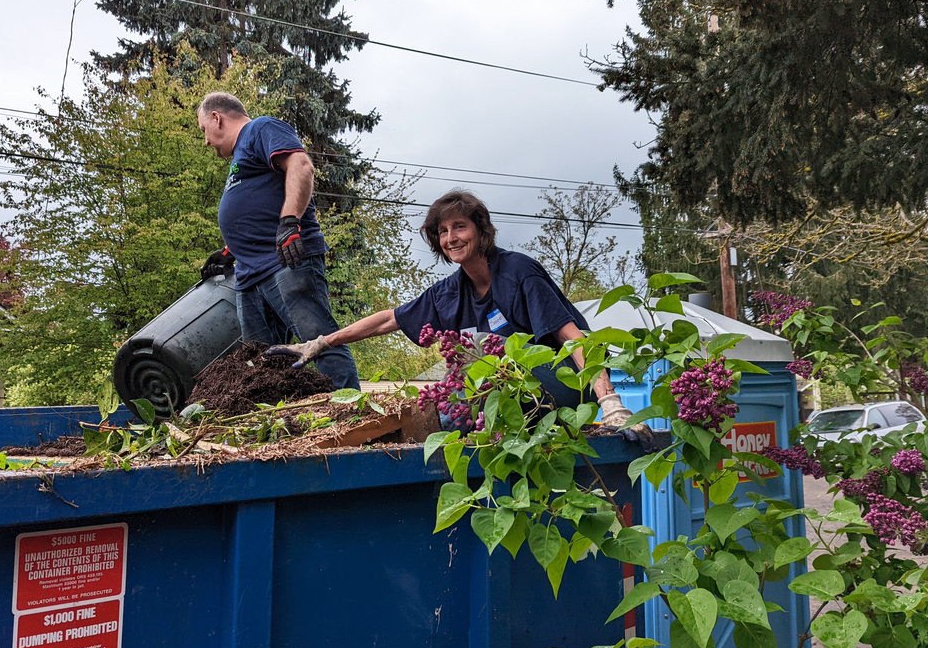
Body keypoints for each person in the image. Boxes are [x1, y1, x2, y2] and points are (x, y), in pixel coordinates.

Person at [267, 190, 644, 437]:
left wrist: (610, 402)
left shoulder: (518, 274)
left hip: (565, 384)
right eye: (443, 232)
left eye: (459, 227)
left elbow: (573, 338)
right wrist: (320, 342)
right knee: (447, 409)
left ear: (480, 231)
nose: (451, 238)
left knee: (487, 373)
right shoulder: (450, 293)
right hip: (510, 396)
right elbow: (389, 319)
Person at [196, 91, 359, 390]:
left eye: (204, 130)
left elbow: (301, 165)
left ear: (216, 118)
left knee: (319, 341)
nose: (206, 141)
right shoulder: (240, 156)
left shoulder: (261, 129)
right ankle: (277, 426)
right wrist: (230, 251)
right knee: (262, 365)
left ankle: (352, 412)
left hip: (286, 261)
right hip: (249, 276)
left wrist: (289, 221)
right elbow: (257, 207)